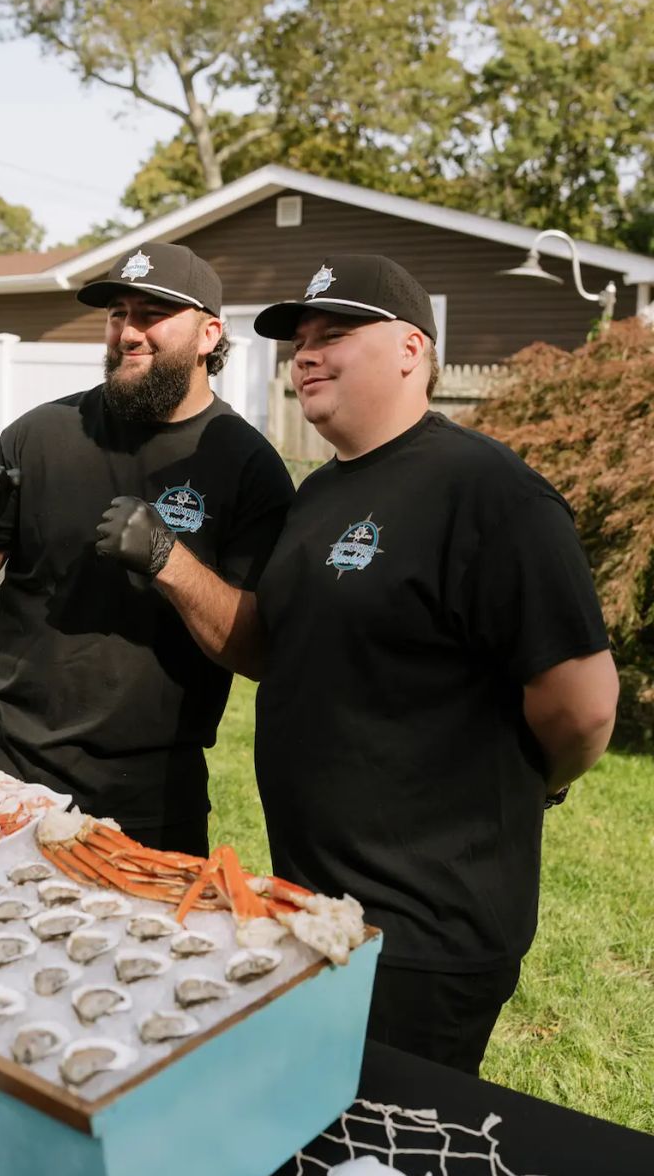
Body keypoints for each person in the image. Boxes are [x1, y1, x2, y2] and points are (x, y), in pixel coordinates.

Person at [112, 252, 619, 1074]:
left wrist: (541, 777)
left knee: (393, 1174)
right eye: (299, 337)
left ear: (412, 349)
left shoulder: (489, 494)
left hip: (426, 931)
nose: (306, 353)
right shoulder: (320, 495)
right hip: (316, 907)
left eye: (335, 332)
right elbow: (284, 652)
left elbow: (585, 703)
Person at [0, 242, 294, 854]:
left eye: (152, 314)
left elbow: (258, 651)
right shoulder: (41, 434)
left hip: (140, 794)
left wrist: (169, 562)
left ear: (209, 334)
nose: (129, 332)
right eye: (119, 313)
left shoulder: (247, 466)